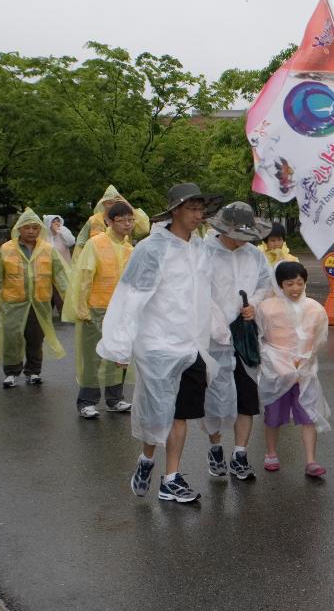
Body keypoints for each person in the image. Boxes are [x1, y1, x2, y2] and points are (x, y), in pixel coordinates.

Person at [98, 183, 222, 505]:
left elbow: (206, 294)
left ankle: (170, 479)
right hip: (156, 345)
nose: (198, 215)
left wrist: (221, 329)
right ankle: (147, 459)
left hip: (190, 345)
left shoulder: (200, 248)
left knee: (180, 414)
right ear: (175, 210)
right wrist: (120, 347)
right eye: (192, 209)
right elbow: (130, 298)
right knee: (158, 413)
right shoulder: (152, 249)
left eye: (201, 209)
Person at [202, 202, 274, 481]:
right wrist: (217, 323)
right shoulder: (204, 253)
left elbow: (265, 284)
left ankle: (240, 453)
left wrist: (253, 304)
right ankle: (216, 447)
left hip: (245, 335)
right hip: (213, 337)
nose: (244, 240)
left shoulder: (254, 255)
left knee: (247, 398)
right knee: (215, 398)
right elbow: (198, 292)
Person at [258, 261, 331, 477]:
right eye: (289, 284)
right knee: (273, 416)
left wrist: (304, 361)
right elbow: (260, 340)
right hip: (276, 373)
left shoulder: (314, 309)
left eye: (299, 283)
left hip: (304, 373)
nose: (295, 288)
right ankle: (271, 453)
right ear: (280, 285)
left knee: (308, 414)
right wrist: (275, 363)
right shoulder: (267, 308)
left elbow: (319, 339)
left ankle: (311, 460)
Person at [0, 208, 70, 388]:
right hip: (13, 302)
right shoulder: (7, 249)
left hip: (39, 302)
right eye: (27, 228)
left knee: (35, 338)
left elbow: (60, 275)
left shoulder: (48, 250)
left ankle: (33, 372)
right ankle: (11, 372)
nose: (31, 231)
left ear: (40, 229)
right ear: (19, 229)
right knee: (12, 337)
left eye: (35, 228)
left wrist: (69, 296)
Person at [66, 201, 135, 418]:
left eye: (130, 220)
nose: (127, 224)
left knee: (118, 353)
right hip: (96, 307)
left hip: (120, 310)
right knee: (92, 355)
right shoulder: (96, 243)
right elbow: (85, 276)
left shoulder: (130, 249)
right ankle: (87, 401)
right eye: (122, 220)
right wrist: (82, 307)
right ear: (110, 221)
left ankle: (115, 399)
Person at [75, 185, 150, 256]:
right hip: (99, 264)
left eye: (116, 202)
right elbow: (80, 243)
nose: (113, 205)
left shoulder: (126, 221)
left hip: (123, 262)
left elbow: (144, 229)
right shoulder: (93, 220)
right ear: (103, 203)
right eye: (109, 202)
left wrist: (128, 205)